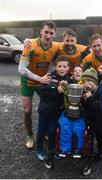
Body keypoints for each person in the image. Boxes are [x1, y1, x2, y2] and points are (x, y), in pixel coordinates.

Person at [18, 20, 60, 149]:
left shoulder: (55, 46)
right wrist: (39, 78)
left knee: (48, 109)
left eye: (51, 33)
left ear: (54, 34)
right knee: (27, 110)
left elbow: (76, 46)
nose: (48, 35)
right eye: (46, 32)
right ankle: (30, 135)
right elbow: (21, 68)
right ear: (41, 31)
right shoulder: (30, 45)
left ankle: (45, 132)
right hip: (28, 81)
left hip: (42, 80)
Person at [37, 55, 72, 169]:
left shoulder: (68, 79)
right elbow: (42, 92)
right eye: (59, 66)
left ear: (68, 68)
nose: (62, 68)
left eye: (64, 66)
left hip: (56, 113)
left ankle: (52, 150)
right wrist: (56, 90)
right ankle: (39, 149)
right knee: (41, 131)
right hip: (44, 111)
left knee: (52, 131)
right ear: (55, 67)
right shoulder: (49, 77)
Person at [81, 67, 102, 170]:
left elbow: (99, 107)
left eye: (89, 81)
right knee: (98, 138)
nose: (87, 83)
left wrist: (89, 98)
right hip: (94, 121)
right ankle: (100, 152)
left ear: (95, 81)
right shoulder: (86, 91)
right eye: (84, 81)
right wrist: (84, 100)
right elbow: (87, 106)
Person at [24, 29, 90, 75]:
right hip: (62, 74)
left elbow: (93, 49)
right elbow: (46, 42)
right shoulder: (58, 46)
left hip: (75, 75)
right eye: (67, 40)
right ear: (63, 40)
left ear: (76, 41)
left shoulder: (83, 49)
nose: (70, 43)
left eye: (72, 40)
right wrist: (28, 40)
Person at [58, 65, 86, 159]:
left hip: (80, 113)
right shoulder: (68, 83)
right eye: (75, 71)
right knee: (65, 126)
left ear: (83, 73)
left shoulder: (86, 85)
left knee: (79, 128)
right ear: (73, 74)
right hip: (67, 111)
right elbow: (64, 96)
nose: (77, 72)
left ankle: (78, 148)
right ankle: (65, 149)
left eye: (80, 71)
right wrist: (62, 86)